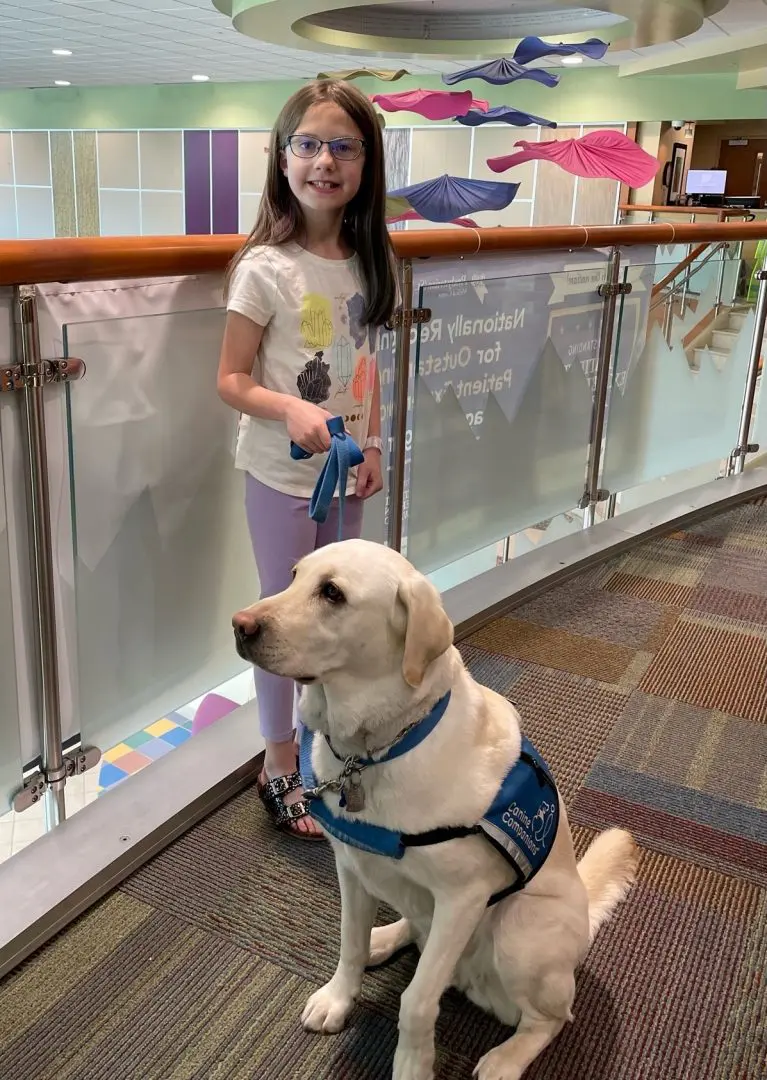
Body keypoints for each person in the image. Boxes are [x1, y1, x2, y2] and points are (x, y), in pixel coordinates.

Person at [217, 79, 397, 839]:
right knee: (280, 619)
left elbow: (368, 365)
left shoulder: (371, 260)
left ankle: (324, 747)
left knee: (336, 618)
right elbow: (231, 379)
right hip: (282, 476)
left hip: (346, 473)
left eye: (343, 147)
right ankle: (278, 763)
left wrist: (375, 442)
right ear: (283, 157)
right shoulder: (264, 267)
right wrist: (289, 408)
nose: (325, 161)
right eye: (309, 144)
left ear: (366, 163)